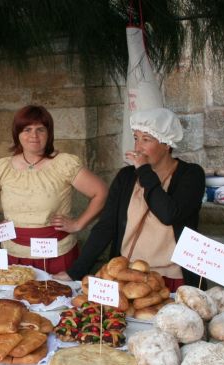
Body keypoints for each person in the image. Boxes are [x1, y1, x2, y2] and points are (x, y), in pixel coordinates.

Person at [54, 108, 206, 292]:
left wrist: (144, 171)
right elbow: (106, 226)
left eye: (146, 139)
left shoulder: (191, 175)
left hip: (172, 277)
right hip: (127, 274)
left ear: (167, 144)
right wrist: (75, 271)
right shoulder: (126, 177)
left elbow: (168, 214)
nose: (138, 147)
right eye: (136, 138)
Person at [0, 105, 108, 274]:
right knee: (13, 298)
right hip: (14, 252)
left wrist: (78, 224)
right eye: (27, 129)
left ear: (49, 133)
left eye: (40, 129)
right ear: (17, 133)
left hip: (57, 253)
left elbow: (100, 192)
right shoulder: (3, 167)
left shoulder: (63, 164)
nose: (33, 136)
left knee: (58, 297)